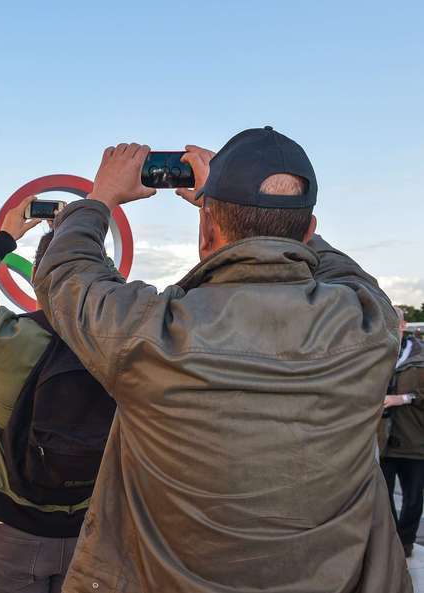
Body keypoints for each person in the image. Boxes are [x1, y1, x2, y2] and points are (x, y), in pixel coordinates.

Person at [32, 129, 411, 591]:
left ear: (207, 231)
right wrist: (269, 217)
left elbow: (64, 274)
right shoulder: (368, 329)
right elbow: (358, 280)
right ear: (309, 232)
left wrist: (100, 198)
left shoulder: (147, 333)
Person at [0, 227, 115, 593]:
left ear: (36, 277)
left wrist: (5, 238)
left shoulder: (3, 338)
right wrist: (88, 237)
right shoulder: (122, 337)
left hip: (11, 525)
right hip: (92, 526)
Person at [380, 306, 424, 557]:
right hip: (383, 439)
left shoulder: (420, 356)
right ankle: (393, 540)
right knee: (383, 496)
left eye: (393, 324)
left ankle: (406, 541)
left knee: (413, 497)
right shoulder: (374, 355)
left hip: (415, 439)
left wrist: (404, 398)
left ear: (403, 325)